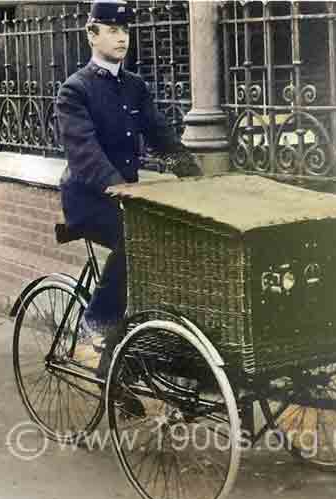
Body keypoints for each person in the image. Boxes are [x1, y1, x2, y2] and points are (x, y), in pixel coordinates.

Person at [56, 0, 200, 381]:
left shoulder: (134, 86)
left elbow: (162, 137)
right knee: (136, 240)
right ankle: (96, 327)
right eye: (113, 30)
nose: (122, 38)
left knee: (174, 237)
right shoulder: (75, 90)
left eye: (126, 31)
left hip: (127, 197)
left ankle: (142, 341)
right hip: (88, 200)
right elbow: (85, 155)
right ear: (92, 34)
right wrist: (122, 190)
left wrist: (196, 178)